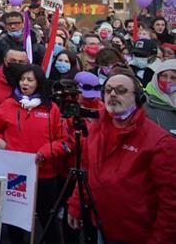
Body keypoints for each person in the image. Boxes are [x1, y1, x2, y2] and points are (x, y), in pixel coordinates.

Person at [67, 67, 176, 244]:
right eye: (108, 90)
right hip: (103, 226)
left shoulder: (161, 143)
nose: (113, 94)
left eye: (121, 91)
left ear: (138, 98)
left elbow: (171, 204)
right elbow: (87, 170)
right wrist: (76, 205)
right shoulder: (95, 128)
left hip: (139, 234)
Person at [0, 65, 66, 243]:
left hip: (44, 173)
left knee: (47, 217)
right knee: (15, 218)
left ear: (39, 83)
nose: (25, 83)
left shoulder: (51, 109)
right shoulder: (9, 104)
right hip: (16, 173)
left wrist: (45, 152)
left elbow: (64, 141)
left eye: (30, 80)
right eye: (22, 79)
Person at [144, 59, 176, 133]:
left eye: (173, 78)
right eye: (164, 76)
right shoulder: (146, 103)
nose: (168, 81)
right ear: (157, 78)